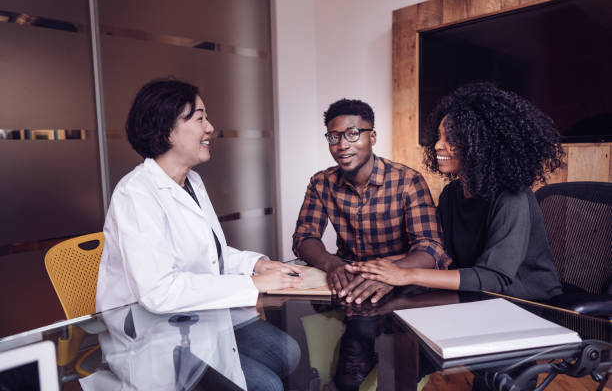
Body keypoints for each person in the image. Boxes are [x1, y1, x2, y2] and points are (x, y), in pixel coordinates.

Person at [96, 79, 301, 390]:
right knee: (268, 385)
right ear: (167, 130)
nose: (211, 128)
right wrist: (250, 284)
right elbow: (158, 291)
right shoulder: (135, 194)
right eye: (200, 118)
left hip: (201, 316)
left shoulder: (191, 181)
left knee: (287, 352)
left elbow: (209, 252)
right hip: (156, 335)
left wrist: (256, 265)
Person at [348, 82, 564, 301]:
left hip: (529, 303)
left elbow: (494, 277)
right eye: (439, 136)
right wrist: (378, 268)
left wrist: (405, 275)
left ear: (481, 143)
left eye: (451, 139)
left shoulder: (512, 197)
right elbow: (441, 253)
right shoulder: (452, 194)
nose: (438, 146)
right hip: (479, 298)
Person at [292, 98, 446, 305]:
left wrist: (391, 273)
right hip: (347, 279)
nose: (342, 145)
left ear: (372, 137)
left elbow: (430, 247)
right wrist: (331, 263)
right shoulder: (321, 183)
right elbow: (304, 237)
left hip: (402, 285)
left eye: (353, 134)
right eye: (334, 137)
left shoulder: (407, 181)